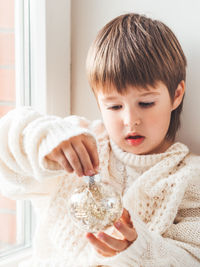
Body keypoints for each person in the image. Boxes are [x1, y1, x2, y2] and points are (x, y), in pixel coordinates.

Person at [0, 13, 200, 267]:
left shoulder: (190, 178)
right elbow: (8, 163)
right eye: (115, 106)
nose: (130, 120)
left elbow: (192, 257)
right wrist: (44, 139)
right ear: (98, 102)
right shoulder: (76, 142)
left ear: (176, 95)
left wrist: (140, 249)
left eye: (146, 103)